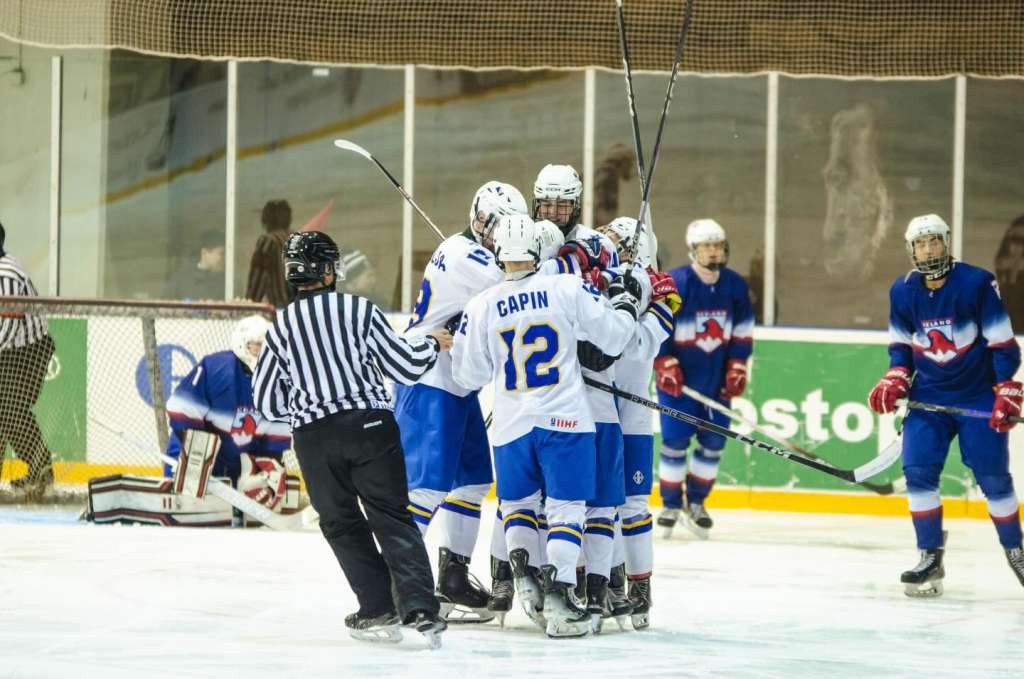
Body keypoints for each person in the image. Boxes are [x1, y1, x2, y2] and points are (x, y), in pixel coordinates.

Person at [252, 230, 451, 647]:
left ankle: (378, 608)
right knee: (392, 516)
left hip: (314, 439)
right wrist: (431, 344)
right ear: (328, 270)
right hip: (370, 428)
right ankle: (420, 609)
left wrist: (309, 402)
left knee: (342, 524)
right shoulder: (359, 310)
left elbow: (267, 402)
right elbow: (404, 364)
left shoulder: (280, 326)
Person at [451, 214, 645, 638]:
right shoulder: (564, 287)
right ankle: (559, 597)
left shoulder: (481, 304)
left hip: (509, 423)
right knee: (566, 511)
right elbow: (613, 339)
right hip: (565, 419)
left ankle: (526, 580)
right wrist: (627, 304)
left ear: (500, 252)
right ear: (539, 251)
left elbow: (468, 376)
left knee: (518, 508)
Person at [867, 214, 1023, 597]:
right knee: (918, 474)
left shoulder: (976, 282)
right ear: (911, 249)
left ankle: (1016, 551)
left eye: (934, 242)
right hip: (928, 400)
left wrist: (1006, 388)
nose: (928, 250)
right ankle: (930, 557)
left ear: (946, 242)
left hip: (976, 397)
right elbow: (900, 348)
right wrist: (895, 376)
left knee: (993, 479)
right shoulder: (902, 291)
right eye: (920, 244)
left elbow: (1003, 344)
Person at [394, 180, 527, 624]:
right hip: (429, 379)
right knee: (427, 487)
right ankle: (399, 585)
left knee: (471, 480)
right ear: (477, 218)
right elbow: (516, 285)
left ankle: (451, 580)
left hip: (458, 384)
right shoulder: (464, 255)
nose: (495, 235)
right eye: (493, 225)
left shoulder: (473, 254)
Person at [532, 163, 627, 627]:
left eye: (562, 203)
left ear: (577, 204)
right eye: (546, 202)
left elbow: (617, 295)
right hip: (547, 391)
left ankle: (602, 584)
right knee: (539, 498)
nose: (553, 212)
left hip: (596, 385)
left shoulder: (599, 245)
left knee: (603, 497)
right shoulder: (524, 240)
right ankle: (528, 581)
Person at [597, 216, 679, 629]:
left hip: (631, 415)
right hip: (597, 409)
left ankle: (639, 588)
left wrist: (643, 307)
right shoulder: (598, 280)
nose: (610, 247)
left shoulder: (656, 290)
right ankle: (608, 582)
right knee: (601, 503)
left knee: (630, 503)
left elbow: (636, 345)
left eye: (620, 243)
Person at [655, 218, 754, 538]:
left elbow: (741, 331)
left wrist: (738, 365)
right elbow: (657, 327)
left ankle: (696, 502)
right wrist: (664, 360)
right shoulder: (676, 283)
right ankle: (671, 503)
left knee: (713, 444)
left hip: (716, 380)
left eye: (718, 245)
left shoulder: (735, 285)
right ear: (692, 250)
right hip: (679, 383)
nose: (714, 252)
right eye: (706, 246)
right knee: (674, 442)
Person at [164, 315, 291, 507]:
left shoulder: (279, 382)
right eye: (256, 346)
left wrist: (267, 471)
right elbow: (182, 414)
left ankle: (242, 501)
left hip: (240, 470)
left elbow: (273, 446)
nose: (261, 353)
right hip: (200, 460)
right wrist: (198, 464)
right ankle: (180, 490)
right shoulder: (215, 368)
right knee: (194, 446)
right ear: (241, 344)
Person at [0, 222, 56, 497]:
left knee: (9, 409)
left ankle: (41, 471)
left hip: (27, 350)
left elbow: (7, 330)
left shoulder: (6, 274)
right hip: (8, 349)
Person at [246, 199, 293, 308]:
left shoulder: (268, 241)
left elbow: (258, 278)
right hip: (303, 309)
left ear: (265, 220)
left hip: (281, 309)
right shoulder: (298, 239)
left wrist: (250, 305)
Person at [165, 229, 225, 300]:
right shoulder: (180, 280)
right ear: (204, 253)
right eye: (221, 253)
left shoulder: (227, 282)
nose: (224, 259)